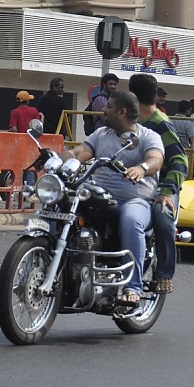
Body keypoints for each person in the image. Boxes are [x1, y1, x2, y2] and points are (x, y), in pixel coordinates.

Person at [58, 91, 164, 304]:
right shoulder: (101, 134)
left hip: (136, 201)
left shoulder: (148, 136)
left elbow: (156, 159)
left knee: (130, 219)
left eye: (109, 107)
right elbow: (80, 153)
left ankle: (132, 286)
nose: (103, 110)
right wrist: (58, 157)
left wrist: (142, 168)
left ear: (122, 112)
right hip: (102, 195)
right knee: (64, 202)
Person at [129, 74, 188, 295]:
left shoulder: (160, 123)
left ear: (133, 97)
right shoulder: (130, 122)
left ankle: (164, 273)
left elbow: (180, 161)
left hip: (161, 188)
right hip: (134, 187)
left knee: (162, 217)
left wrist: (166, 192)